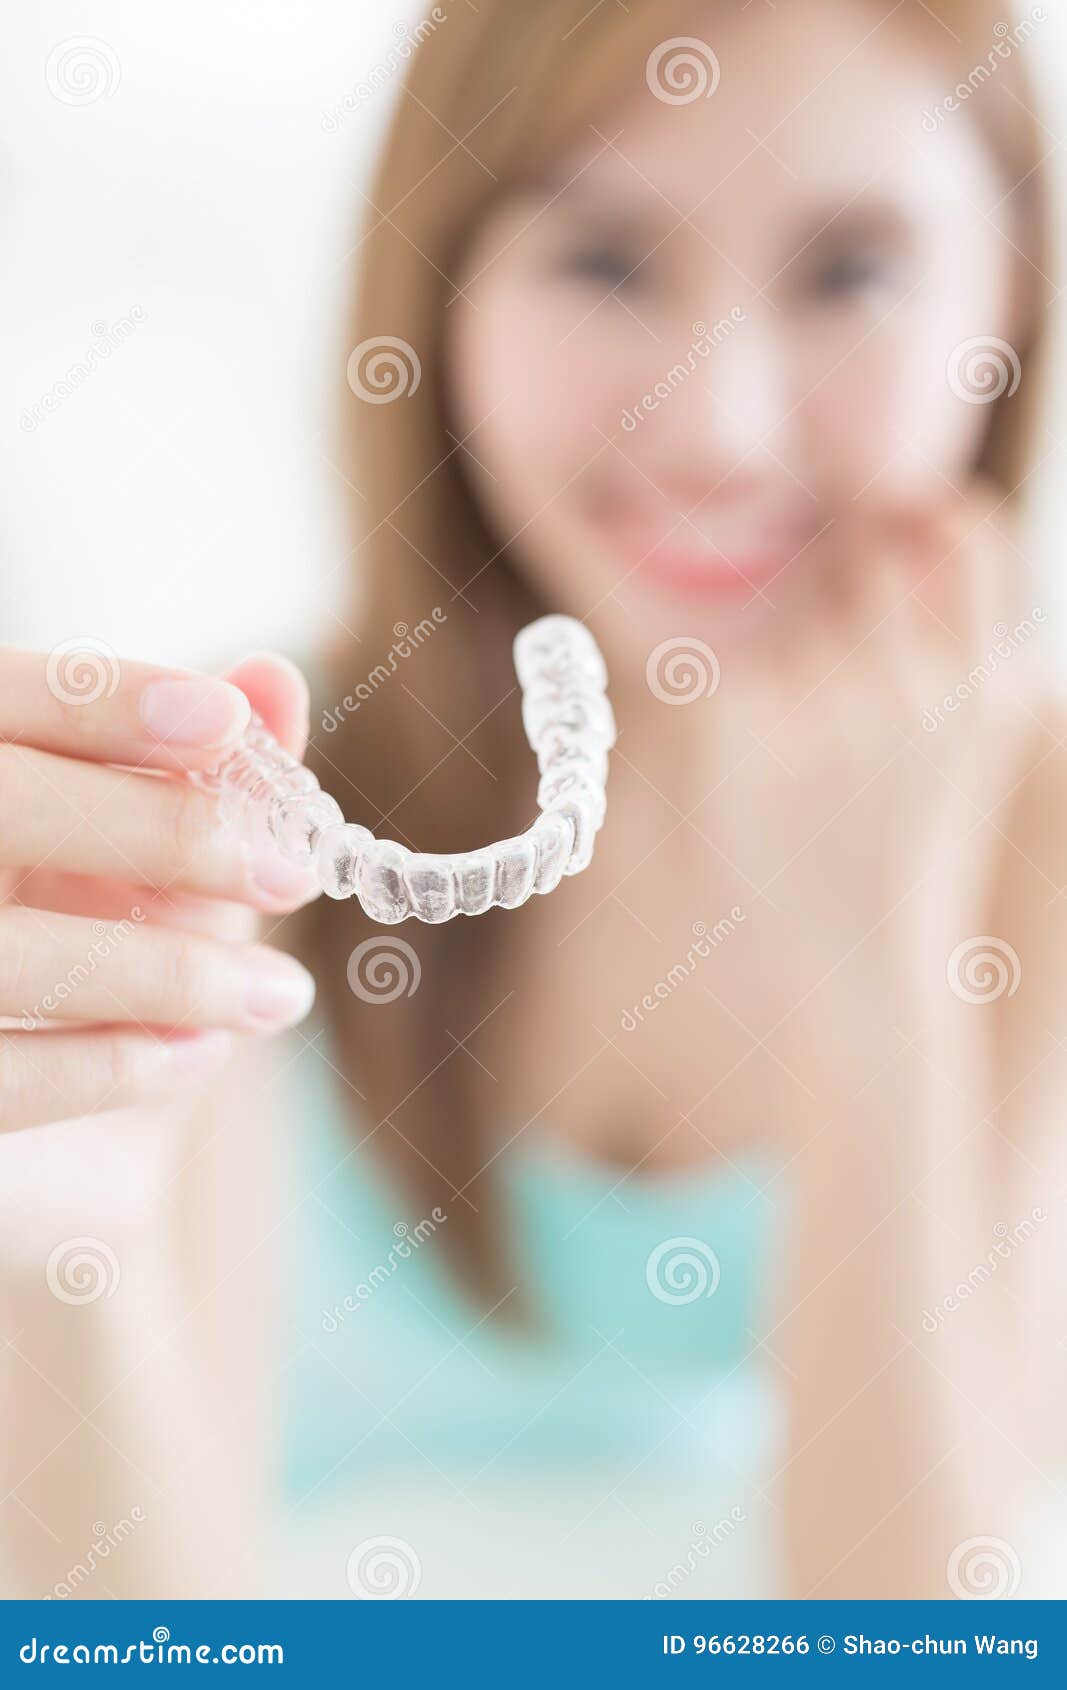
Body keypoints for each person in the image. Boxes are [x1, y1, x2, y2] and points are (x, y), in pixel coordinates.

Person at [1, 0, 1062, 1600]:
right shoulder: (234, 803)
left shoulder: (1037, 845)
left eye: (850, 272)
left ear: (1016, 301)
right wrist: (56, 1248)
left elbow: (916, 1640)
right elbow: (141, 1635)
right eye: (609, 263)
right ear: (438, 288)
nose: (723, 427)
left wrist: (878, 972)